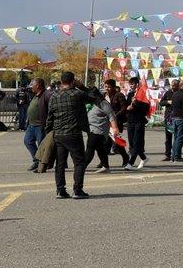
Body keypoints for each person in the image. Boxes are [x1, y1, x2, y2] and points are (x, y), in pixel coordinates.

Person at [46, 71, 90, 199]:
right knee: (79, 162)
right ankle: (77, 190)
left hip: (58, 134)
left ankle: (60, 190)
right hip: (73, 133)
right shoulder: (77, 94)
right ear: (73, 81)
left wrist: (48, 132)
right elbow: (92, 97)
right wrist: (81, 86)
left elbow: (50, 117)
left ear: (61, 80)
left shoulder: (54, 96)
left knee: (60, 163)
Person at [86, 87, 119, 173]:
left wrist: (115, 128)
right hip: (92, 128)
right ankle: (105, 166)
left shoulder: (104, 104)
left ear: (96, 96)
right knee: (100, 148)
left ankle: (82, 166)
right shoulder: (93, 103)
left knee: (90, 147)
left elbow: (112, 116)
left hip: (99, 129)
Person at [23, 78, 51, 172]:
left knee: (42, 146)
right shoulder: (35, 95)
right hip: (31, 125)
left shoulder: (46, 95)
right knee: (28, 141)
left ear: (38, 86)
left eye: (32, 85)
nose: (31, 87)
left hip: (40, 125)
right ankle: (36, 160)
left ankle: (42, 164)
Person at [124, 76, 149, 168]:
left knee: (136, 142)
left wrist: (136, 104)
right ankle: (144, 158)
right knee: (131, 143)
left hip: (139, 121)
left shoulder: (143, 94)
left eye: (133, 84)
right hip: (130, 121)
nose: (131, 86)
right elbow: (127, 106)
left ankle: (131, 163)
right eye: (130, 84)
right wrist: (127, 108)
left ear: (137, 84)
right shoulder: (130, 94)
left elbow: (146, 108)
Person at [165, 79, 183, 162]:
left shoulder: (175, 94)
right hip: (182, 118)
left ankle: (173, 156)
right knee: (180, 138)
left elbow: (173, 106)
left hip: (175, 118)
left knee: (176, 137)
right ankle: (177, 156)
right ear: (182, 85)